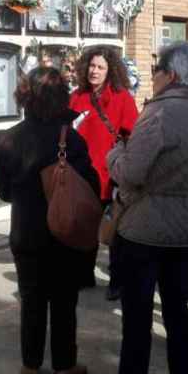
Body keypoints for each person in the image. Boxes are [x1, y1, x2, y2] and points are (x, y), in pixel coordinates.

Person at [107, 42, 188, 374]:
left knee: (137, 321)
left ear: (172, 75)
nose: (153, 78)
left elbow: (131, 173)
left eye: (156, 71)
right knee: (178, 314)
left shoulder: (159, 114)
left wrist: (114, 154)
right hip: (185, 230)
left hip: (145, 230)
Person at [0, 67, 100, 374]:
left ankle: (30, 366)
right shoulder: (72, 139)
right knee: (63, 302)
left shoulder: (10, 139)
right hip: (63, 233)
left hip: (26, 234)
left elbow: (3, 192)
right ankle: (63, 367)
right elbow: (91, 186)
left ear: (24, 96)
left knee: (32, 300)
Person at [69, 47, 139, 300]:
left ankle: (117, 281)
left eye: (100, 67)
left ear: (110, 71)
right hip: (82, 176)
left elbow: (133, 135)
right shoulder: (77, 97)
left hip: (111, 176)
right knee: (83, 229)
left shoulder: (122, 98)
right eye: (91, 66)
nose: (94, 71)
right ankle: (83, 274)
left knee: (114, 232)